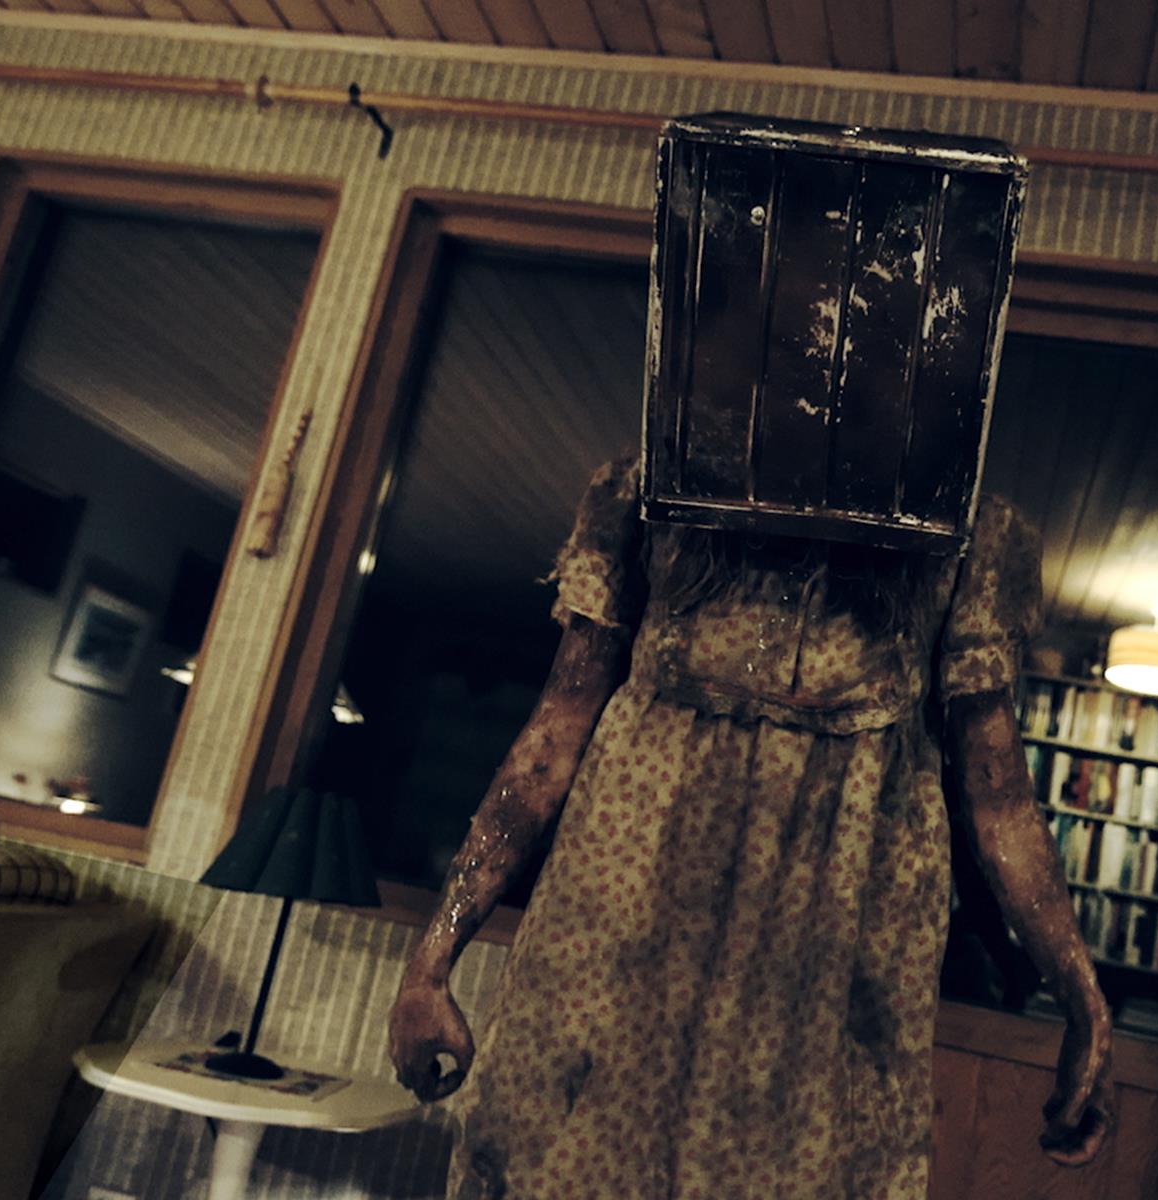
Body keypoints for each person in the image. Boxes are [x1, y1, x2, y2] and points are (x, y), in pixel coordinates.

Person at [386, 114, 1113, 1199]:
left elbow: (998, 793)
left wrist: (1082, 995)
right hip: (630, 893)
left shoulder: (971, 541)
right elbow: (552, 737)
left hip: (833, 928)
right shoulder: (649, 494)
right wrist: (433, 956)